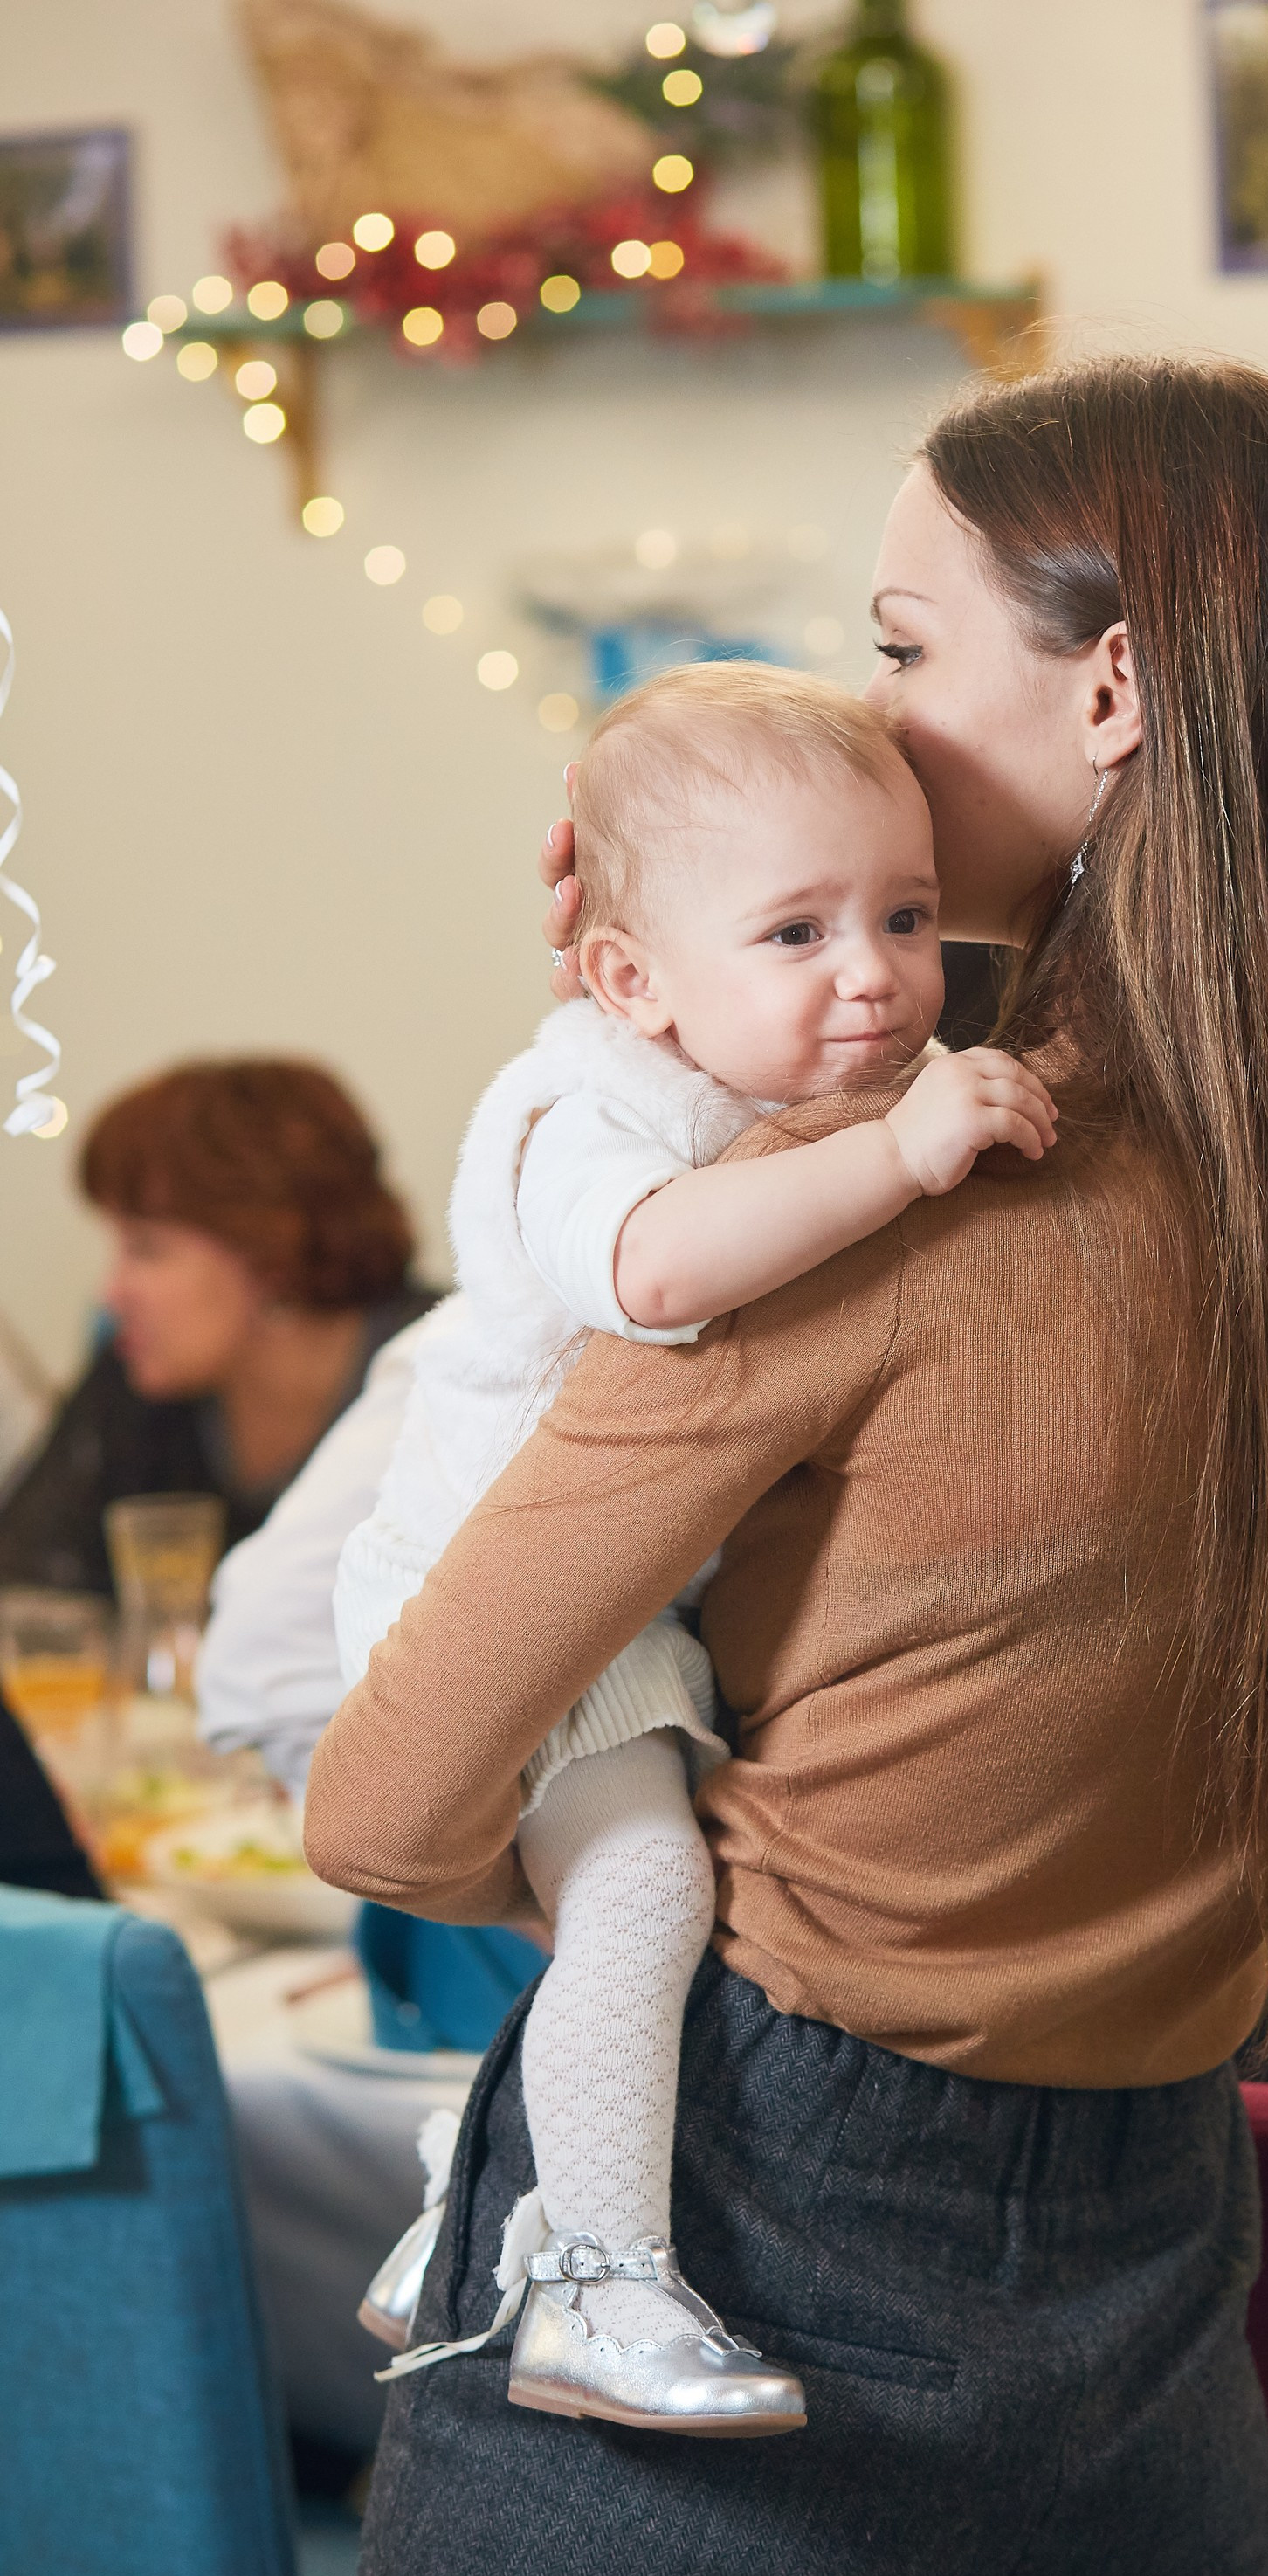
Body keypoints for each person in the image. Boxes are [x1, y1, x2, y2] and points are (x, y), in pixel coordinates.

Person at [307, 357, 1268, 2576]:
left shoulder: (875, 1217)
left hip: (737, 2289)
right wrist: (751, 933)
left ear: (1110, 689)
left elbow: (388, 1801)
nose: (870, 711)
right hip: (1147, 2337)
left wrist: (662, 1039)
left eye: (900, 650)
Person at [340, 664, 1057, 2429]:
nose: (876, 974)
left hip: (609, 1609)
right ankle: (587, 2286)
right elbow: (656, 1275)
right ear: (628, 981)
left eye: (901, 914)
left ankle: (482, 2187)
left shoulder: (734, 1055)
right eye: (797, 933)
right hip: (495, 1599)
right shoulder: (578, 1112)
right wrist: (901, 1153)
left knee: (628, 1914)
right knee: (649, 1893)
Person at [0, 1060, 436, 1597]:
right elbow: (26, 1590)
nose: (109, 1292)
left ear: (271, 1250)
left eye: (146, 1249)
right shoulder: (135, 1377)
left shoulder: (448, 1376)